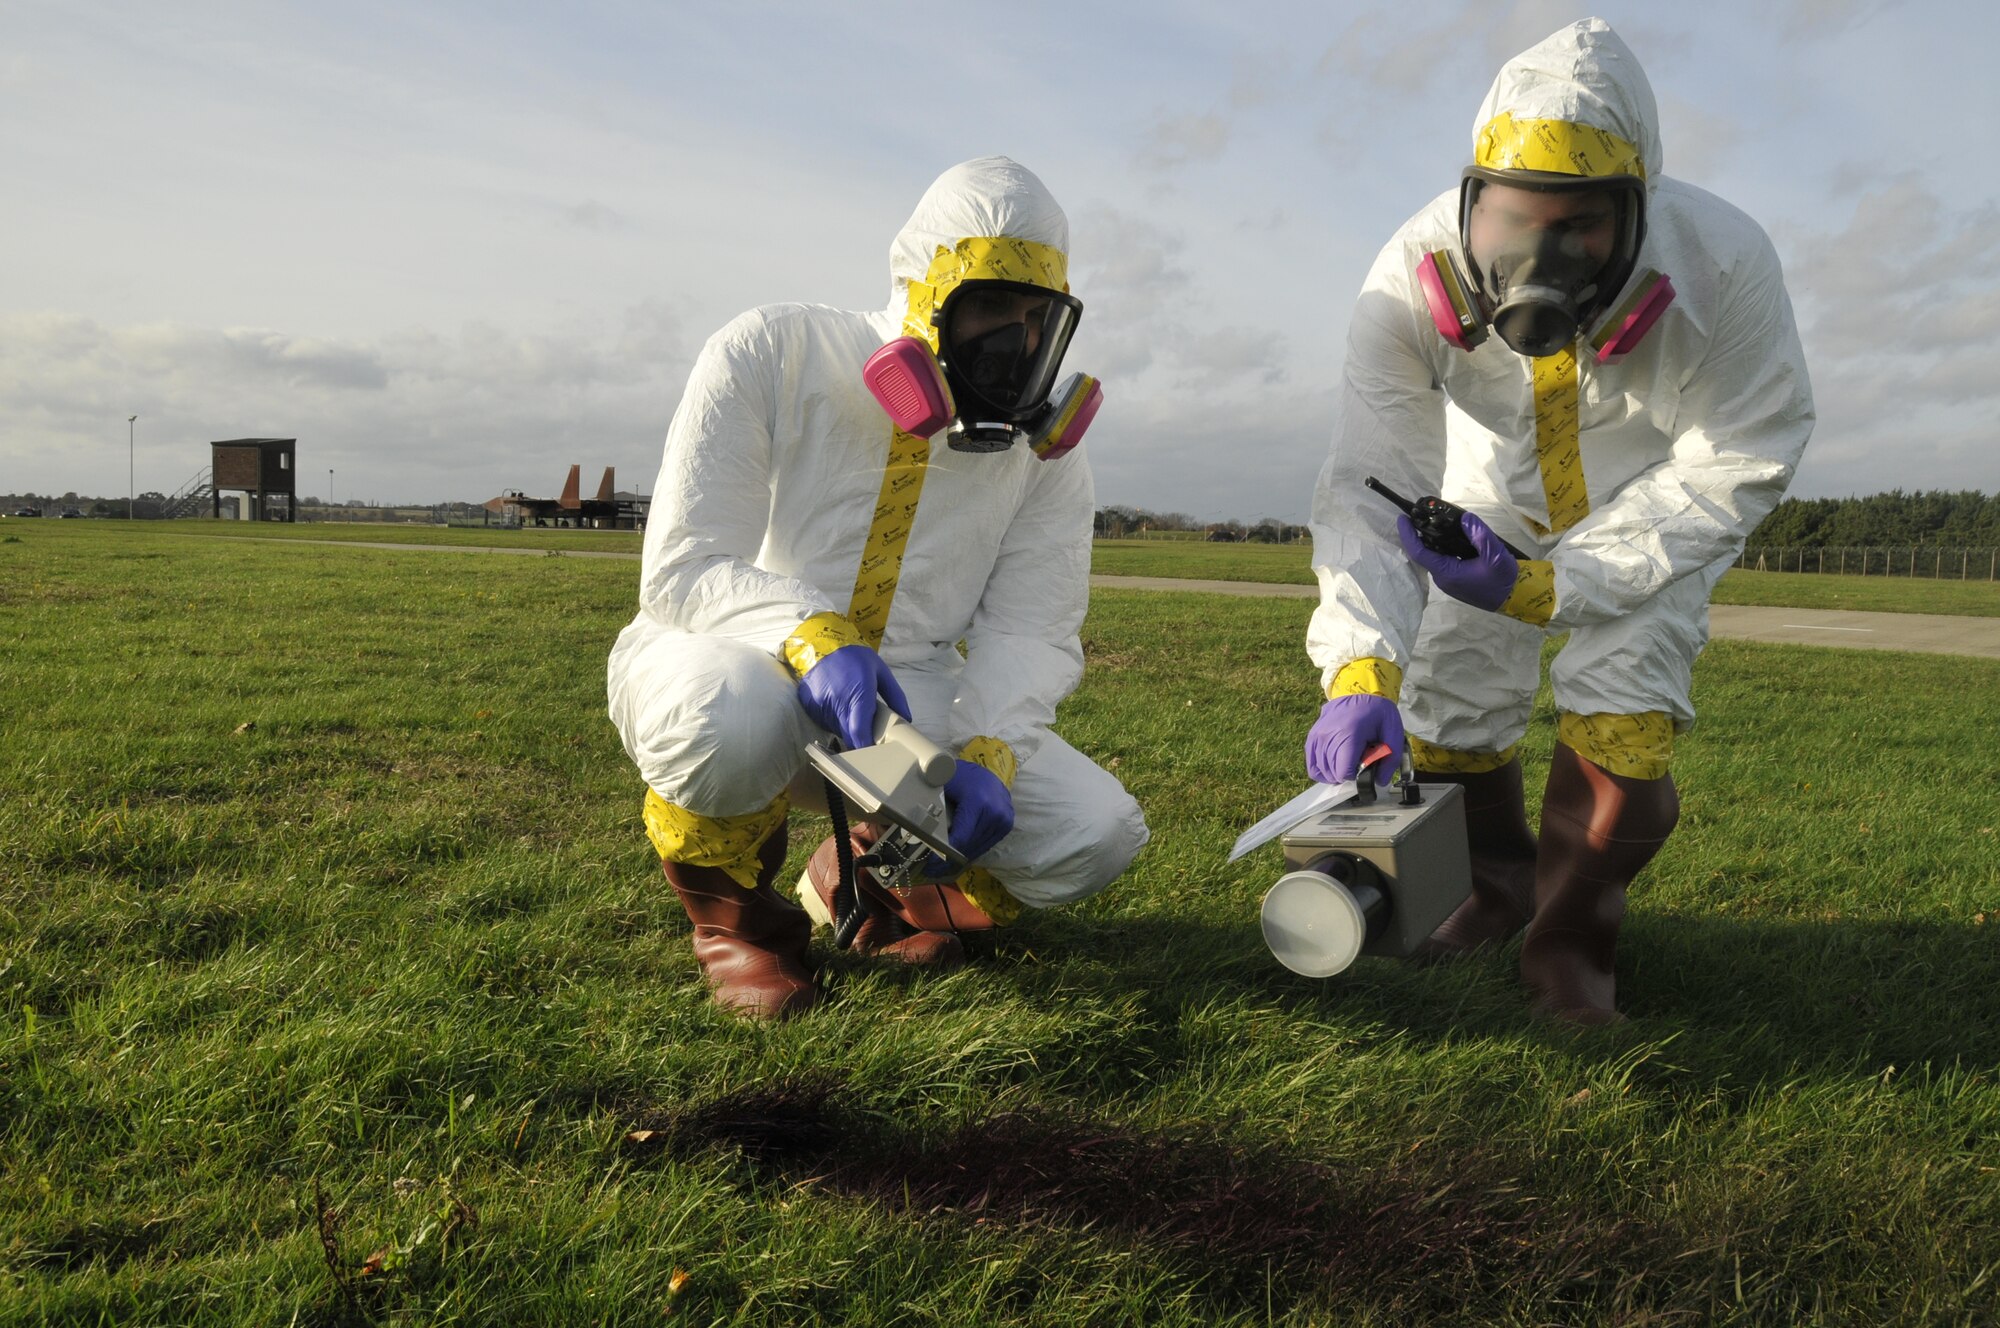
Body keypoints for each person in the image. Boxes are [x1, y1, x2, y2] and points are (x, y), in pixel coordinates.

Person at [1303, 19, 1813, 1024]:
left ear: (1636, 215)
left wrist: (1554, 585)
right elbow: (1370, 478)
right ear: (1469, 200)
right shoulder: (1405, 274)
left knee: (1623, 709)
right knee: (1449, 700)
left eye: (1576, 227)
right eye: (1507, 223)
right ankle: (1495, 892)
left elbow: (1742, 453)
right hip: (1483, 498)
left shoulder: (1723, 263)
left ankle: (1572, 944)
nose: (1535, 256)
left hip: (1648, 507)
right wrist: (1360, 669)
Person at [607, 156, 1148, 1020]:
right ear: (926, 292)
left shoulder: (1046, 456)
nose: (1013, 341)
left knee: (1097, 831)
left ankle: (883, 883)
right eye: (986, 308)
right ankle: (739, 924)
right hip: (737, 653)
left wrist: (993, 747)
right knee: (727, 712)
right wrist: (811, 633)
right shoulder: (772, 351)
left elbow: (1033, 630)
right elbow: (685, 565)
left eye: (1032, 316)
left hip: (908, 697)